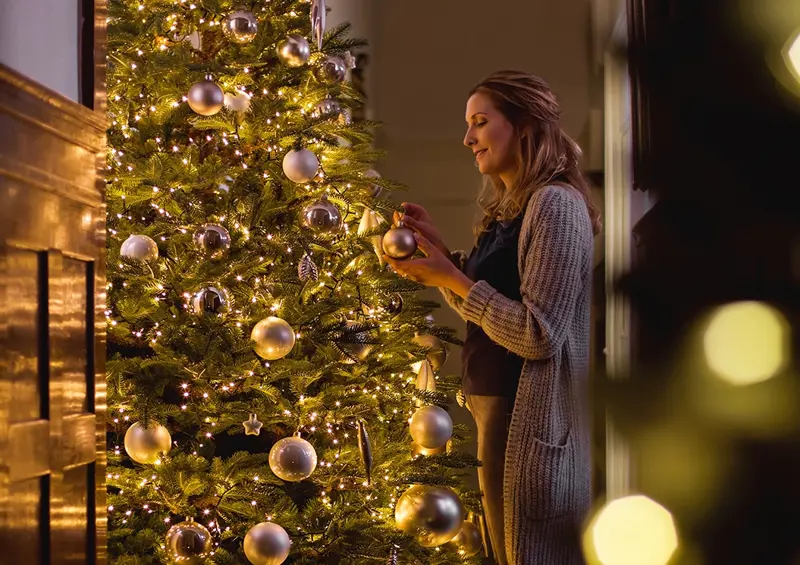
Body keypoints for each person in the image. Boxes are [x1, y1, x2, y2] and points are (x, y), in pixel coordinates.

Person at [384, 70, 601, 565]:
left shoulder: (555, 206)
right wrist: (444, 263)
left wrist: (454, 280)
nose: (467, 138)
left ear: (524, 125)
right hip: (494, 417)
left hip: (528, 427)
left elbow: (538, 334)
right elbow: (491, 308)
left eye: (480, 122)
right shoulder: (513, 208)